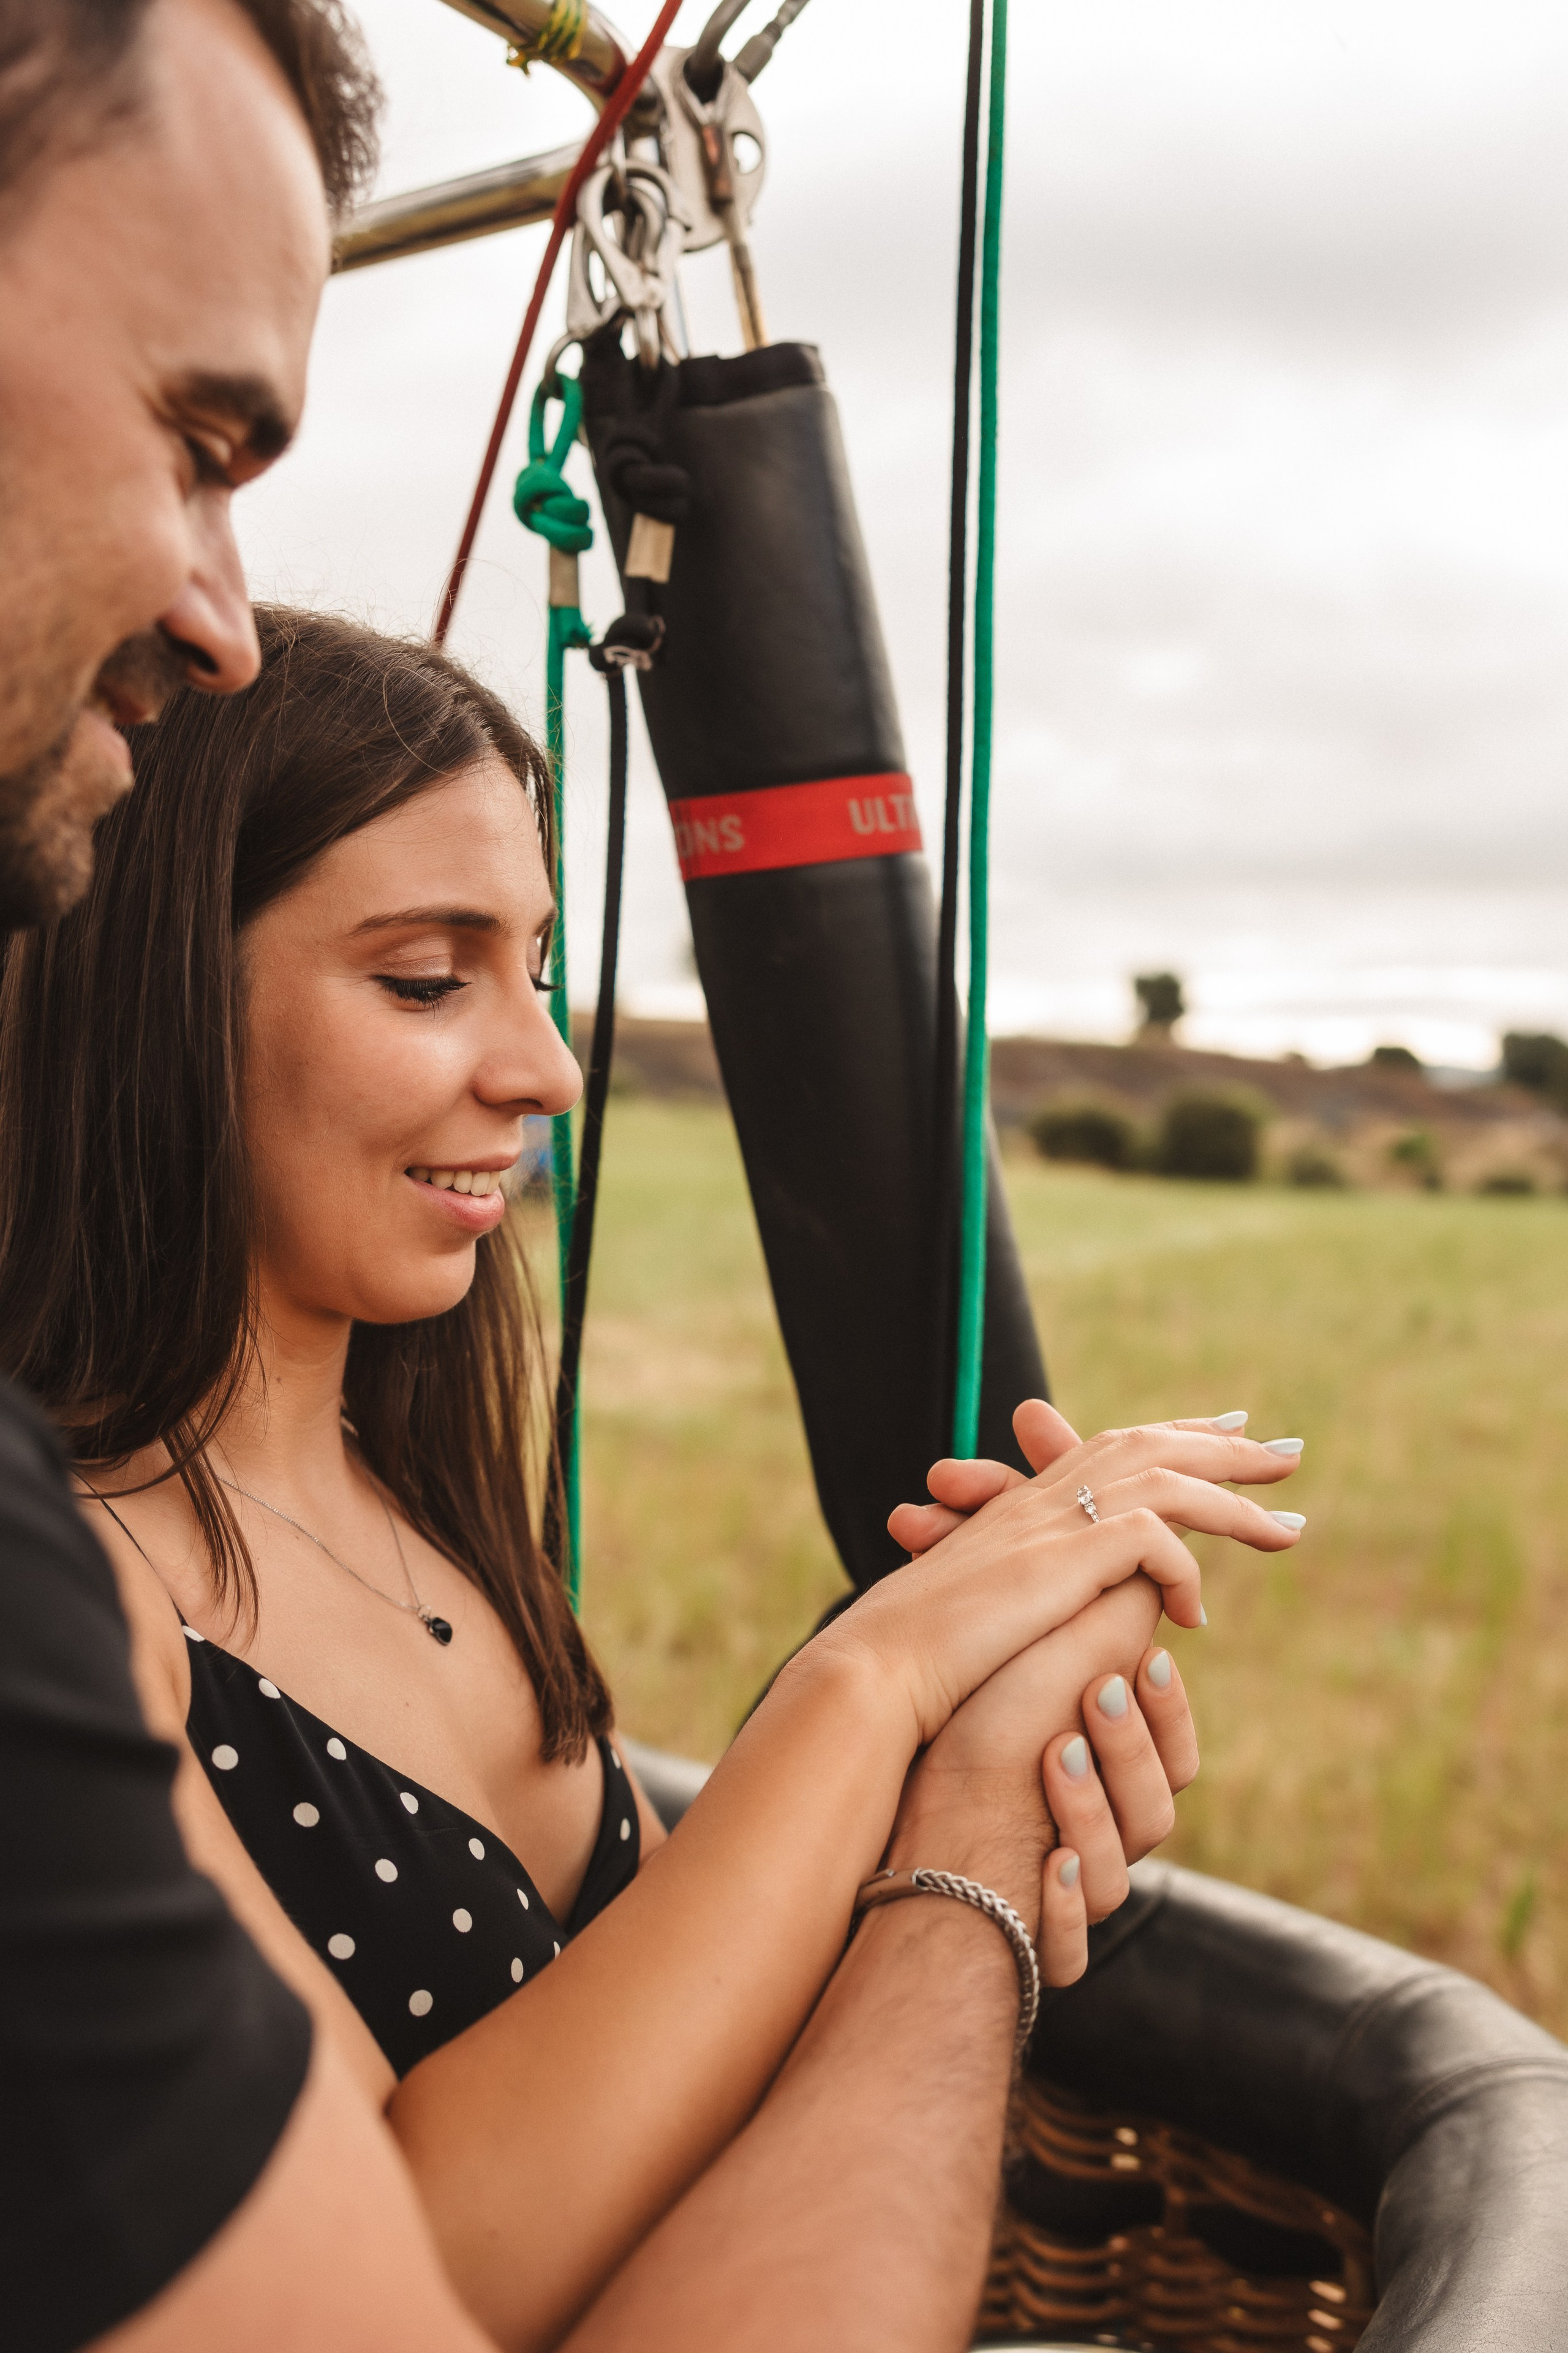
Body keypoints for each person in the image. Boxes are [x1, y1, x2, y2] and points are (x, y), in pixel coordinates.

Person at [0, 4, 1307, 2346]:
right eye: (424, 979)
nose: (542, 1062)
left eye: (535, 967)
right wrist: (884, 1691)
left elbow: (641, 2080)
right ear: (162, 999)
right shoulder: (79, 1592)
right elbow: (412, 2256)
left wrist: (971, 1767)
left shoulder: (439, 1509)